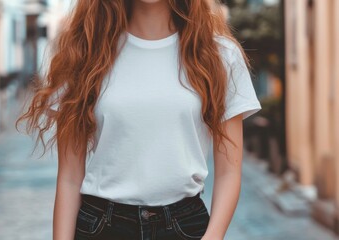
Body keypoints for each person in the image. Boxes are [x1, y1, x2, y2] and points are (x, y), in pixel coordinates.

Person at [16, 0, 262, 239]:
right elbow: (69, 178)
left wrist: (213, 236)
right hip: (102, 227)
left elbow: (229, 172)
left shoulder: (220, 55)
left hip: (185, 227)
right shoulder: (84, 54)